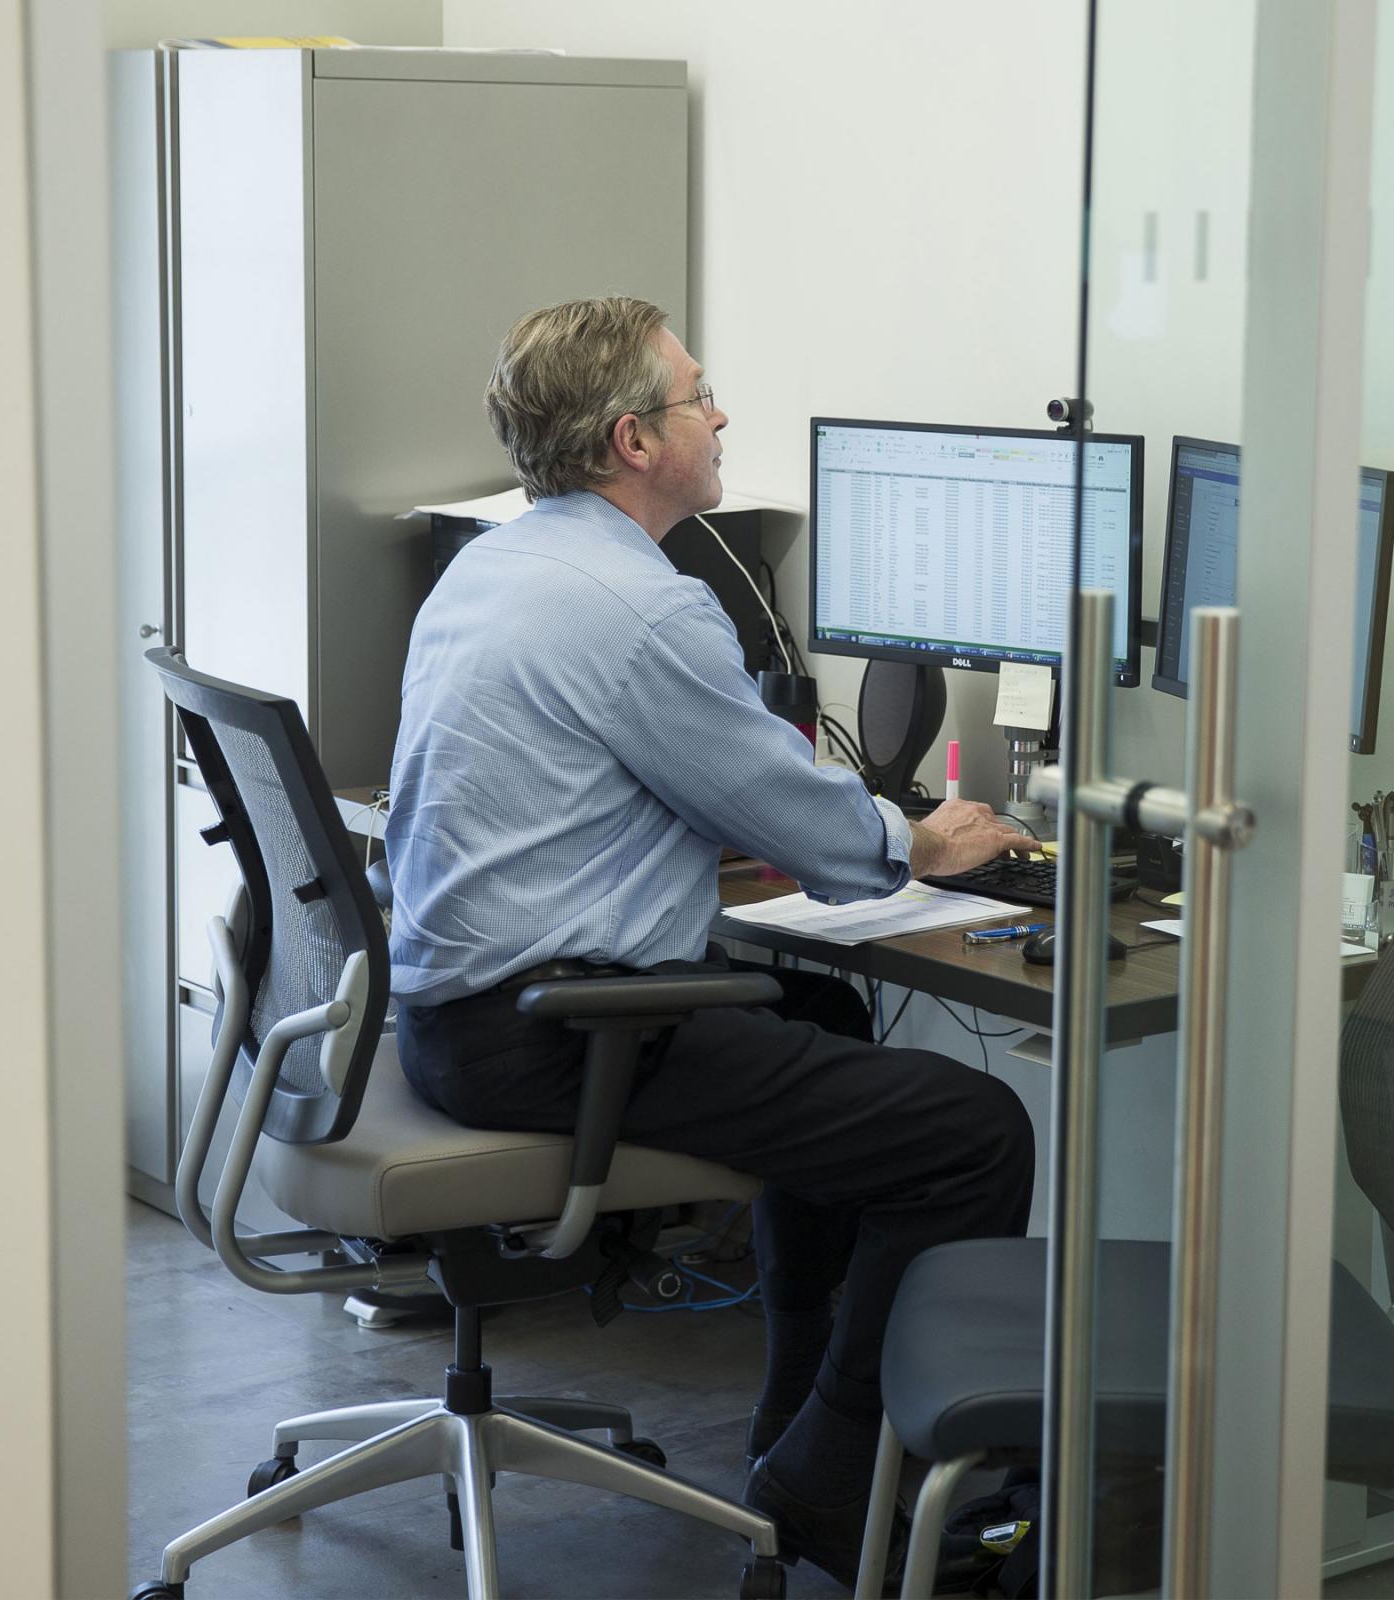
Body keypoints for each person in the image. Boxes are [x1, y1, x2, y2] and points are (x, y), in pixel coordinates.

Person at [385, 296, 1037, 1586]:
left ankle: (794, 1421)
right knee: (974, 1133)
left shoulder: (501, 561)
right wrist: (927, 843)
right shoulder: (644, 608)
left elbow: (664, 778)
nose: (722, 412)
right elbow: (799, 819)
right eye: (700, 395)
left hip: (458, 1014)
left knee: (831, 1025)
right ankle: (839, 1477)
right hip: (558, 1039)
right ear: (635, 437)